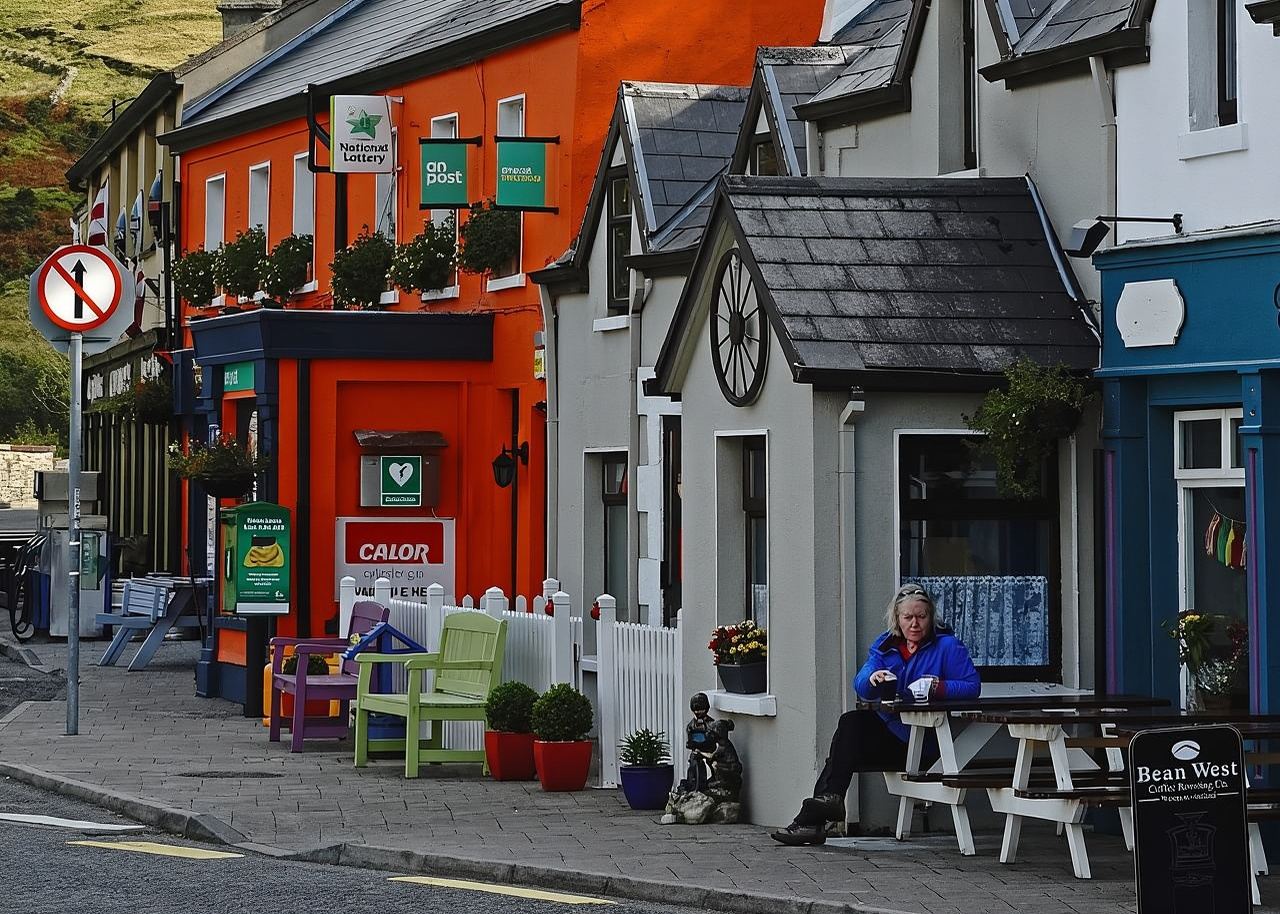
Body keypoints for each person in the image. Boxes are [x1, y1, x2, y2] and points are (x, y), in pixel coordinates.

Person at [770, 583, 981, 846]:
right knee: (849, 726)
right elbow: (861, 684)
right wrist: (873, 678)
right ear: (897, 619)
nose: (915, 623)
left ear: (931, 617)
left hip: (927, 742)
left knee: (841, 750)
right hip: (893, 732)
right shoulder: (885, 646)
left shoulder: (947, 646)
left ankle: (816, 817)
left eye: (921, 616)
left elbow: (972, 686)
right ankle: (826, 805)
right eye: (908, 617)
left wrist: (940, 686)